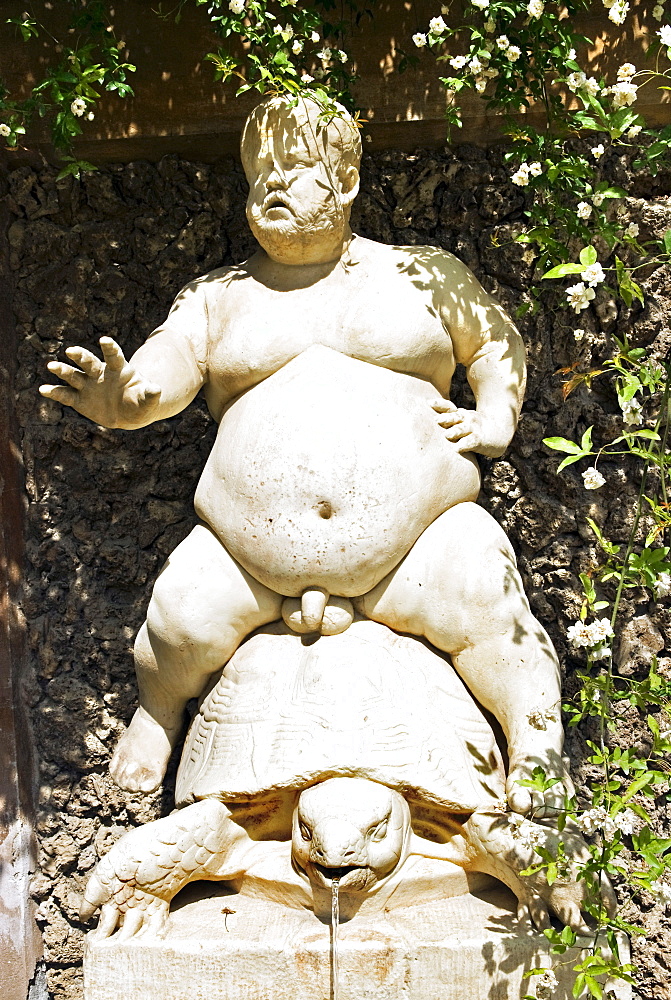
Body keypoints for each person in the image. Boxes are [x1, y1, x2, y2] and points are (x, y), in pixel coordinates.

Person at [41, 96, 570, 815]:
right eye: (258, 173)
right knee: (180, 616)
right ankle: (159, 713)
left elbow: (492, 339)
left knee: (488, 597)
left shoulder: (420, 274)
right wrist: (123, 403)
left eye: (293, 168)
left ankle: (534, 744)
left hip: (423, 545)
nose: (272, 185)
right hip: (244, 559)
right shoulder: (218, 297)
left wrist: (497, 417)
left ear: (346, 180)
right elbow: (159, 372)